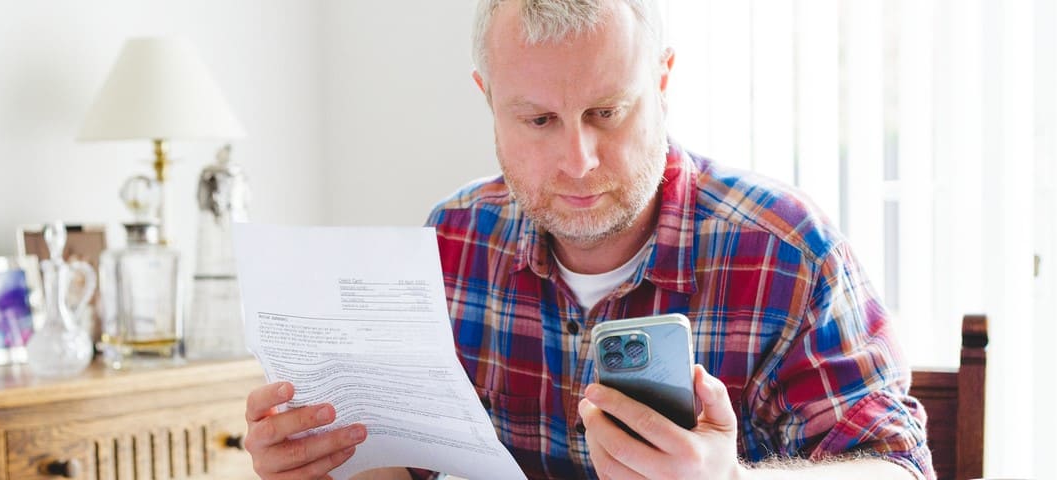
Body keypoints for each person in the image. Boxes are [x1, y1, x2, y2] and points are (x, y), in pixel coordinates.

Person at [243, 0, 933, 479]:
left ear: (661, 82)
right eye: (538, 120)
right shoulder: (452, 242)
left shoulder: (786, 252)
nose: (578, 160)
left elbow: (897, 467)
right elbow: (406, 473)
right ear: (489, 99)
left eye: (607, 111)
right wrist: (320, 465)